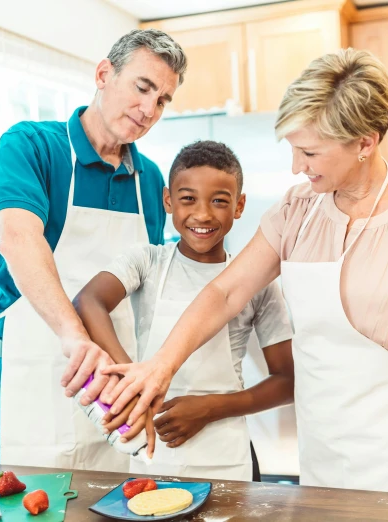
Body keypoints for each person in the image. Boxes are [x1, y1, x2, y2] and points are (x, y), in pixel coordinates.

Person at [99, 49, 388, 510]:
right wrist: (161, 367)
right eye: (293, 148)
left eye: (311, 152)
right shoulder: (297, 210)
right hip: (319, 443)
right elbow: (224, 291)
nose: (297, 165)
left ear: (364, 142)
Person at [0, 29, 187, 471]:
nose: (149, 110)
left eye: (163, 100)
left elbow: (144, 285)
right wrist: (74, 336)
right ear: (103, 74)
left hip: (114, 394)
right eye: (143, 87)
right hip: (38, 381)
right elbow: (19, 238)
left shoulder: (148, 180)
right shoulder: (32, 146)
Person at [73, 141, 295, 481]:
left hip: (226, 455)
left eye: (220, 201)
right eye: (188, 198)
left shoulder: (256, 281)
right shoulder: (147, 261)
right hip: (151, 448)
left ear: (239, 205)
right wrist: (133, 381)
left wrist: (209, 409)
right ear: (168, 201)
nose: (203, 214)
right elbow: (89, 301)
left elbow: (287, 381)